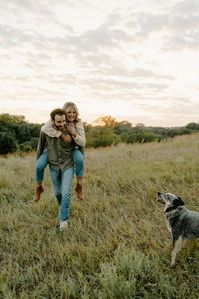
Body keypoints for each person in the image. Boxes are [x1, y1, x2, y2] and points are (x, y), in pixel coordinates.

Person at [34, 102, 86, 202]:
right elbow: (44, 128)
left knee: (80, 159)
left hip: (70, 150)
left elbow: (83, 142)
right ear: (64, 112)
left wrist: (74, 133)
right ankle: (39, 187)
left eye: (74, 112)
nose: (71, 114)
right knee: (39, 166)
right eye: (69, 112)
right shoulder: (57, 119)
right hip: (53, 150)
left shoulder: (78, 123)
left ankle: (79, 186)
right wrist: (60, 134)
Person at [37, 108, 77, 230]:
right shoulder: (45, 130)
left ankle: (63, 221)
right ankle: (62, 206)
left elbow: (78, 145)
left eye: (63, 121)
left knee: (66, 192)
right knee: (58, 193)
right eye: (59, 122)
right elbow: (41, 145)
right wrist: (38, 161)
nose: (62, 124)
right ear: (52, 121)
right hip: (54, 165)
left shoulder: (69, 130)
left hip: (68, 165)